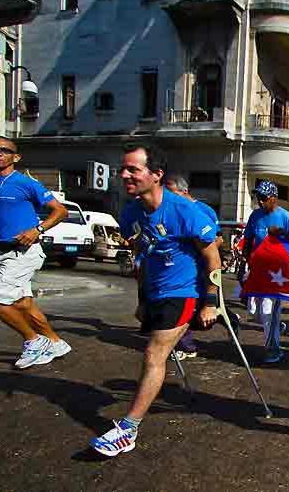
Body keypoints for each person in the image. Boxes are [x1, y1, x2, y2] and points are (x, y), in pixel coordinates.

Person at [91, 143, 219, 457]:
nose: (124, 175)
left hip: (184, 292)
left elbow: (213, 257)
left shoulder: (185, 211)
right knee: (155, 355)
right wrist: (142, 298)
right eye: (123, 169)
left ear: (156, 175)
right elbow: (142, 257)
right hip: (154, 293)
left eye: (133, 169)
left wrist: (211, 302)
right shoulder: (131, 212)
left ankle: (128, 428)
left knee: (153, 354)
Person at [0, 136, 72, 369]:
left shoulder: (26, 183)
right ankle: (55, 342)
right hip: (0, 252)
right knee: (23, 304)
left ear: (16, 156)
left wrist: (37, 229)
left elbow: (60, 211)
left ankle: (34, 340)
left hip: (24, 252)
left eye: (4, 149)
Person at [243, 180, 289, 364]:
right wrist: (245, 264)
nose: (259, 201)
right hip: (258, 271)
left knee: (268, 310)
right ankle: (277, 325)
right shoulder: (255, 216)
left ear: (273, 199)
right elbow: (248, 240)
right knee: (254, 312)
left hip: (277, 275)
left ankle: (274, 350)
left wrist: (282, 233)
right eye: (258, 197)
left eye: (263, 198)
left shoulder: (286, 217)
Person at [164, 173, 222, 360]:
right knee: (182, 306)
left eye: (173, 193)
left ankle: (226, 317)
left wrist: (201, 249)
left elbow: (219, 239)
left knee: (205, 311)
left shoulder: (204, 211)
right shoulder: (169, 211)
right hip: (180, 272)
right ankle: (186, 345)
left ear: (185, 191)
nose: (169, 198)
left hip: (203, 267)